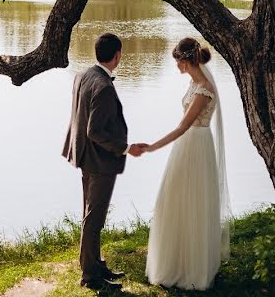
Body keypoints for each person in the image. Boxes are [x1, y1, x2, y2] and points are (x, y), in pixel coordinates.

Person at [142, 37, 231, 290]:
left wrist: (152, 147)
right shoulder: (193, 84)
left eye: (178, 61)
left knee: (192, 203)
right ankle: (175, 261)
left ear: (186, 60)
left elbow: (183, 127)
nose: (176, 66)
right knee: (173, 200)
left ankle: (193, 270)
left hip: (196, 146)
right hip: (186, 147)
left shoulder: (204, 89)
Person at [62, 33, 145, 291]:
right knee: (94, 218)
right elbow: (94, 131)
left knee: (90, 215)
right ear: (117, 55)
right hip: (99, 162)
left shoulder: (83, 75)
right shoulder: (104, 87)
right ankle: (90, 276)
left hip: (84, 156)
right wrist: (126, 148)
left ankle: (95, 264)